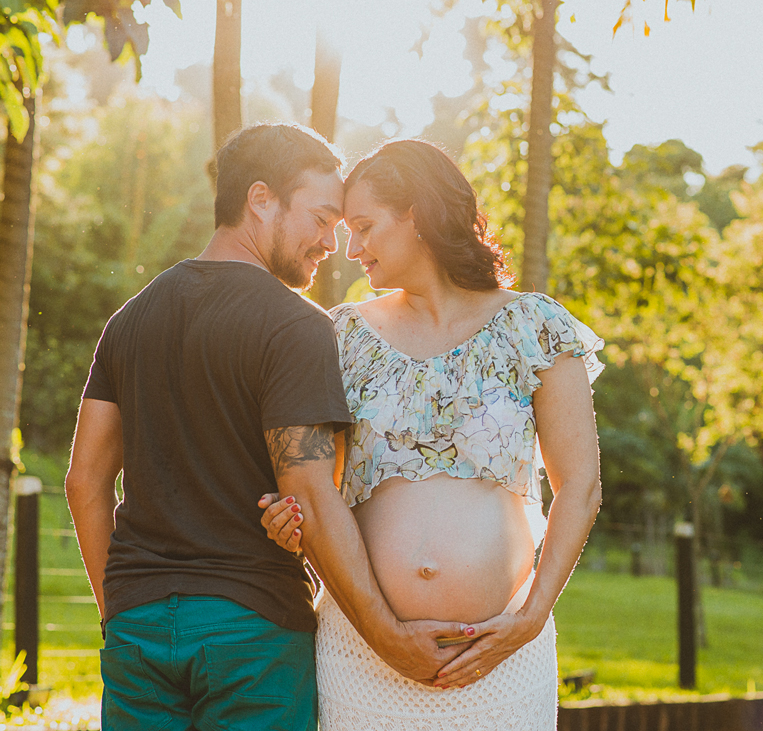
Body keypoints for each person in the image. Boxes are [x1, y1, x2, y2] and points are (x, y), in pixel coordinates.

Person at [66, 124, 466, 731]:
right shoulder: (295, 326)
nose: (330, 242)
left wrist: (118, 609)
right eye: (321, 219)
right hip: (253, 636)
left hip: (137, 633)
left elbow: (83, 482)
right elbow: (310, 494)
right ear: (260, 199)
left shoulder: (130, 319)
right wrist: (389, 638)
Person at [258, 138, 603, 730]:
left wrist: (527, 621)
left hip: (501, 660)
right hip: (361, 657)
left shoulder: (535, 325)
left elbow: (581, 486)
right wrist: (286, 522)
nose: (352, 249)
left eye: (364, 227)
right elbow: (313, 489)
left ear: (417, 214)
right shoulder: (336, 337)